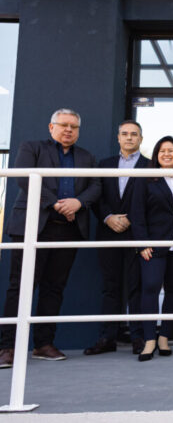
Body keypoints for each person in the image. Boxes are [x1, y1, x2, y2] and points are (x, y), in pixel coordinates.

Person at [0, 109, 100, 368]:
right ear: (51, 127)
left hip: (68, 229)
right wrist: (55, 203)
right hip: (33, 227)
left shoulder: (86, 157)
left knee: (54, 288)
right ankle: (7, 347)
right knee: (20, 287)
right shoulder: (32, 148)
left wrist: (78, 202)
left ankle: (43, 344)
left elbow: (96, 186)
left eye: (74, 127)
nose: (68, 130)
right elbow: (24, 178)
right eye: (63, 125)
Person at [84, 120, 149, 356]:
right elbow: (96, 197)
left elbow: (152, 199)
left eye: (134, 134)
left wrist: (132, 218)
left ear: (141, 138)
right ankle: (107, 338)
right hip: (108, 233)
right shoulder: (105, 165)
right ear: (118, 138)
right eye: (125, 133)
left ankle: (138, 337)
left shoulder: (150, 166)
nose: (129, 137)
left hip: (136, 234)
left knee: (136, 287)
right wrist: (108, 217)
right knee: (110, 287)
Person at [130, 136, 173, 362]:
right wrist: (142, 243)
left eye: (171, 150)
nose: (167, 154)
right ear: (157, 155)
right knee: (150, 288)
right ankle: (149, 339)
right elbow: (136, 212)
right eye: (162, 151)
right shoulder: (146, 179)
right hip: (153, 245)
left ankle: (164, 338)